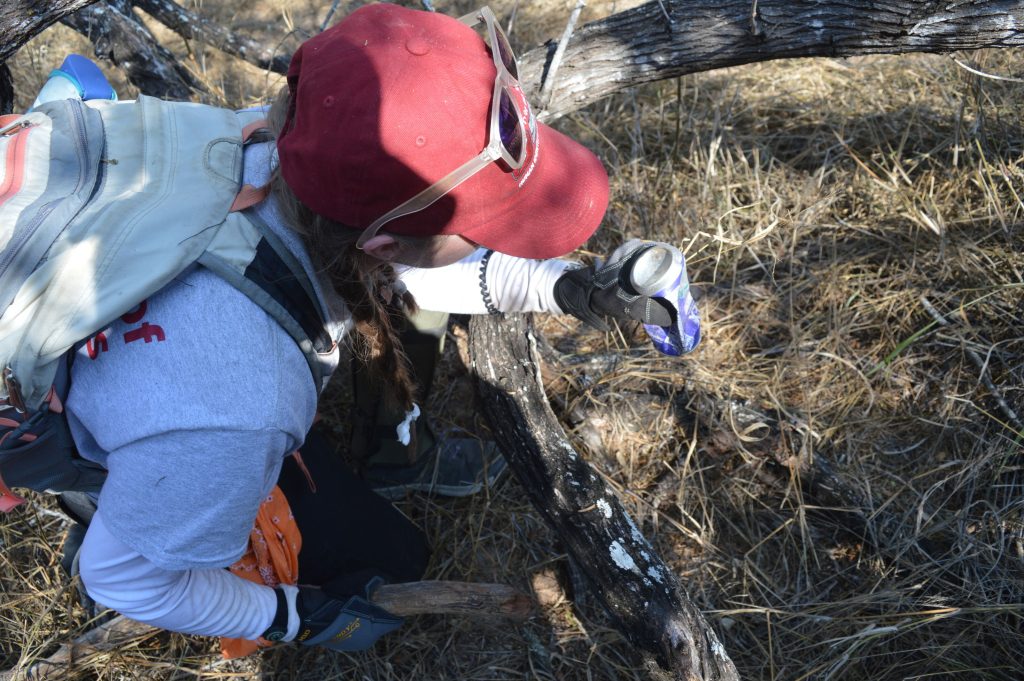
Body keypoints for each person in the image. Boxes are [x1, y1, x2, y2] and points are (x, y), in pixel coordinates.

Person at [69, 3, 682, 654]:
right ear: (384, 242)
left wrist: (569, 288)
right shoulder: (242, 403)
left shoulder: (263, 148)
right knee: (388, 559)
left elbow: (411, 275)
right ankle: (99, 492)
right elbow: (123, 579)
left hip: (167, 374)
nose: (490, 243)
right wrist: (291, 616)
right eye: (480, 230)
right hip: (168, 414)